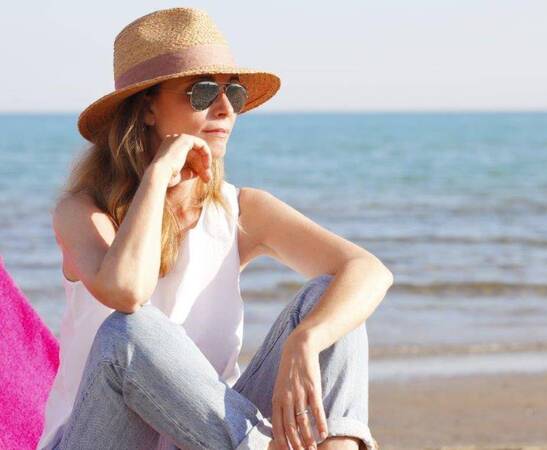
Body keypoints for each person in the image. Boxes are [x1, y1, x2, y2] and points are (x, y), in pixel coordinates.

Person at [37, 7, 392, 450]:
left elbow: (369, 270)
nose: (225, 109)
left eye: (235, 93)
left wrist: (306, 339)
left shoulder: (238, 209)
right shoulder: (82, 212)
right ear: (147, 108)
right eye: (202, 92)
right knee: (128, 332)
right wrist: (157, 176)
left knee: (331, 304)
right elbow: (127, 292)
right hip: (100, 438)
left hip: (210, 436)